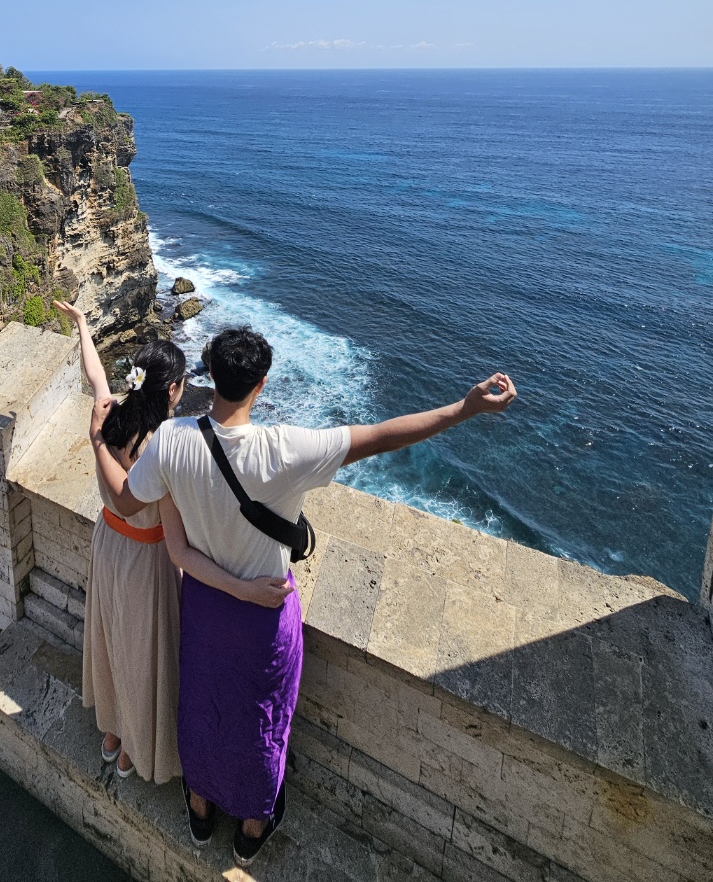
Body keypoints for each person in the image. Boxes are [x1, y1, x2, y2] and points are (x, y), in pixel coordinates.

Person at [93, 325, 517, 867]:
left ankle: (198, 809)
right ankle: (250, 827)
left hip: (202, 606)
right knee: (261, 719)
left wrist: (100, 441)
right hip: (264, 617)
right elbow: (383, 435)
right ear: (262, 384)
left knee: (200, 704)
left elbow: (127, 504)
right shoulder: (285, 449)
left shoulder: (173, 439)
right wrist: (464, 407)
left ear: (209, 375)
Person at [54, 302, 290, 790]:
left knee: (112, 636)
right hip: (145, 556)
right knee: (145, 654)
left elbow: (96, 375)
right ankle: (133, 752)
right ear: (176, 389)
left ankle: (112, 734)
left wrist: (83, 325)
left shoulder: (111, 415)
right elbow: (142, 506)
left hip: (108, 546)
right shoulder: (162, 444)